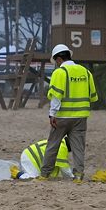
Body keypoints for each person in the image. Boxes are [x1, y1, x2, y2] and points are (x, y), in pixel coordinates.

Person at [42, 44, 98, 182]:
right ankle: (78, 175)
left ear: (59, 59)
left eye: (56, 61)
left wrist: (52, 114)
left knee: (53, 145)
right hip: (81, 118)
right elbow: (92, 96)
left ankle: (44, 174)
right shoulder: (85, 72)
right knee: (78, 147)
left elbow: (56, 96)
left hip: (62, 117)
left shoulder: (60, 72)